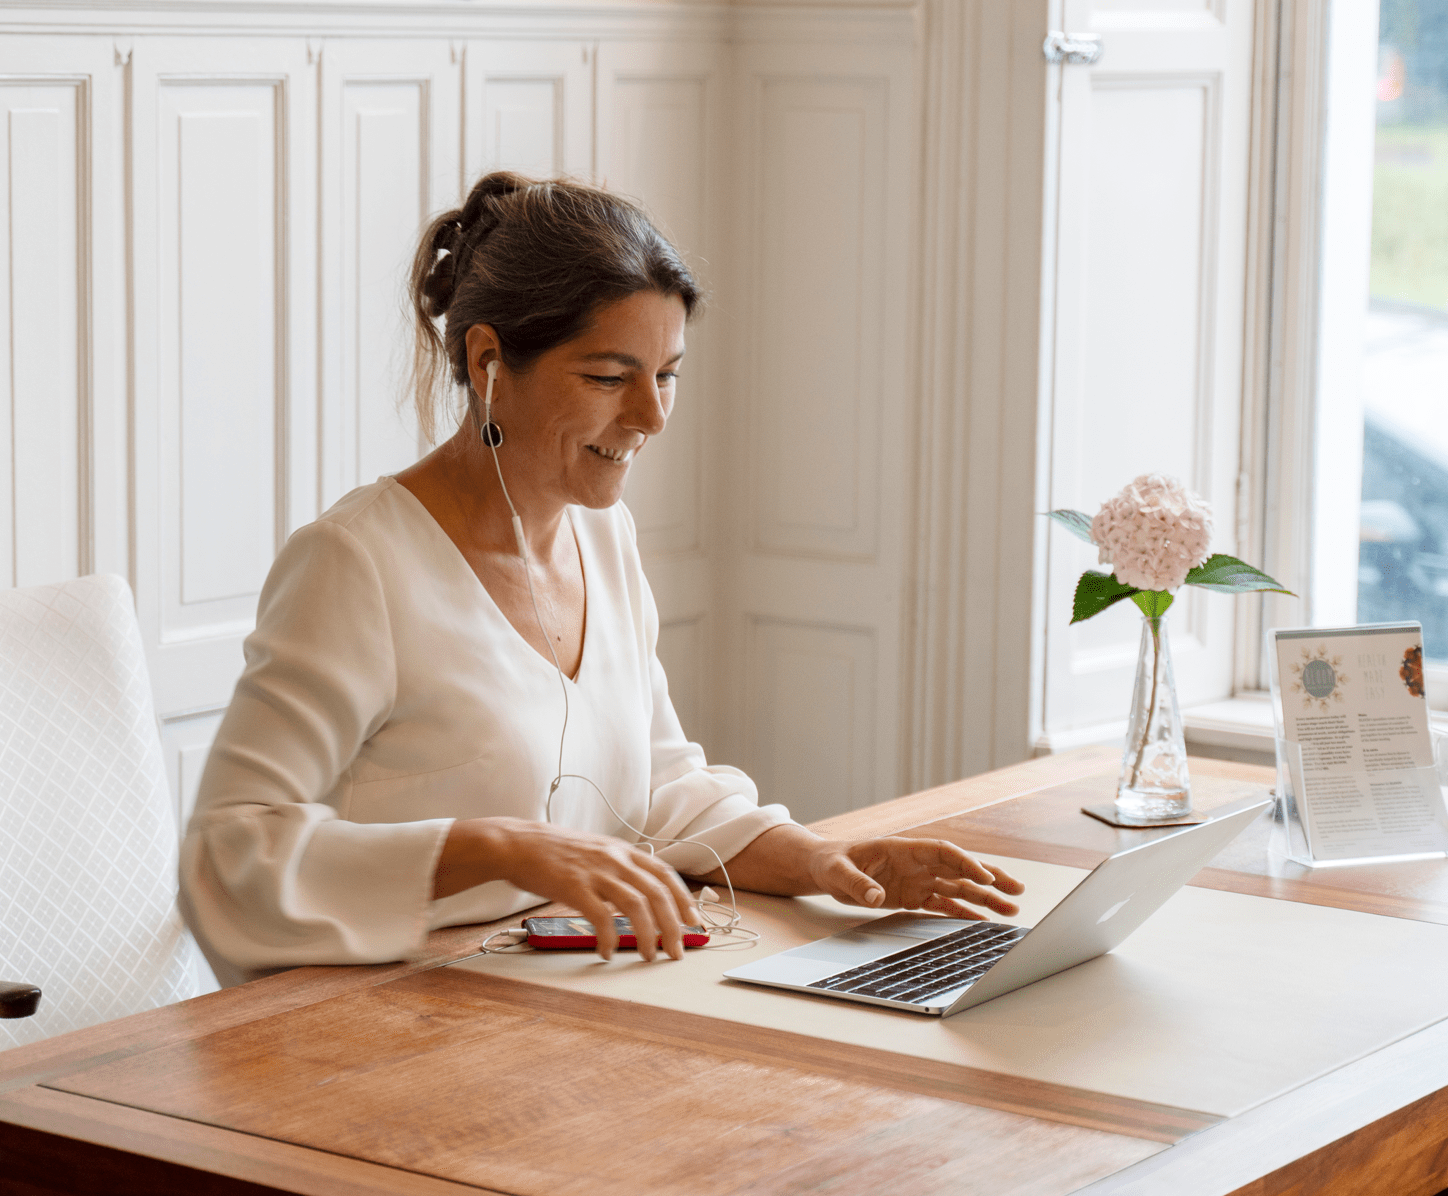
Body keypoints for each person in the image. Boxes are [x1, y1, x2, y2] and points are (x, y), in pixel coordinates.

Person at [177, 171, 1022, 982]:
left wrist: (825, 860)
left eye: (667, 376)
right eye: (610, 378)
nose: (650, 417)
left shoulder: (603, 538)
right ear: (488, 363)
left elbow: (653, 792)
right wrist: (500, 847)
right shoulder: (356, 565)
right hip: (380, 1027)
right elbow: (229, 853)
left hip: (558, 1006)